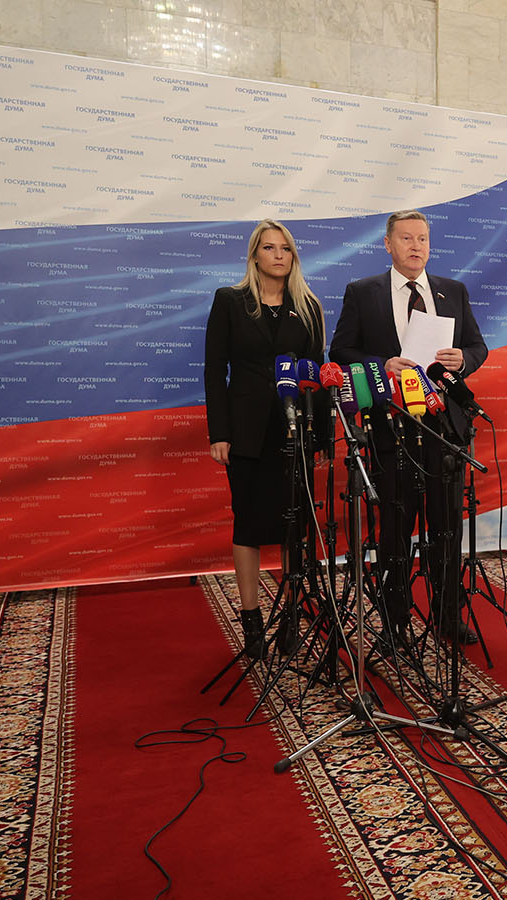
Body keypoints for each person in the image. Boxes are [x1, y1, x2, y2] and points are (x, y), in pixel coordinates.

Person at [330, 209, 489, 643]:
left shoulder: (453, 291)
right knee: (396, 530)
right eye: (406, 238)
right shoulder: (363, 292)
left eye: (423, 239)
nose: (416, 246)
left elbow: (477, 346)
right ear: (388, 244)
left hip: (444, 430)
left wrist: (464, 359)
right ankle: (395, 621)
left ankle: (447, 614)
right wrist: (382, 364)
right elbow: (340, 350)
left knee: (446, 528)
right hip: (391, 428)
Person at [204, 219, 327, 659]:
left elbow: (318, 374)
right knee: (249, 524)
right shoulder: (230, 301)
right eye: (270, 248)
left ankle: (291, 615)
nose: (279, 255)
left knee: (294, 526)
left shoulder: (308, 306)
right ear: (254, 255)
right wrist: (219, 433)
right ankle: (252, 618)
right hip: (246, 431)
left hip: (294, 432)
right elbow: (215, 371)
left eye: (286, 248)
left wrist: (321, 436)